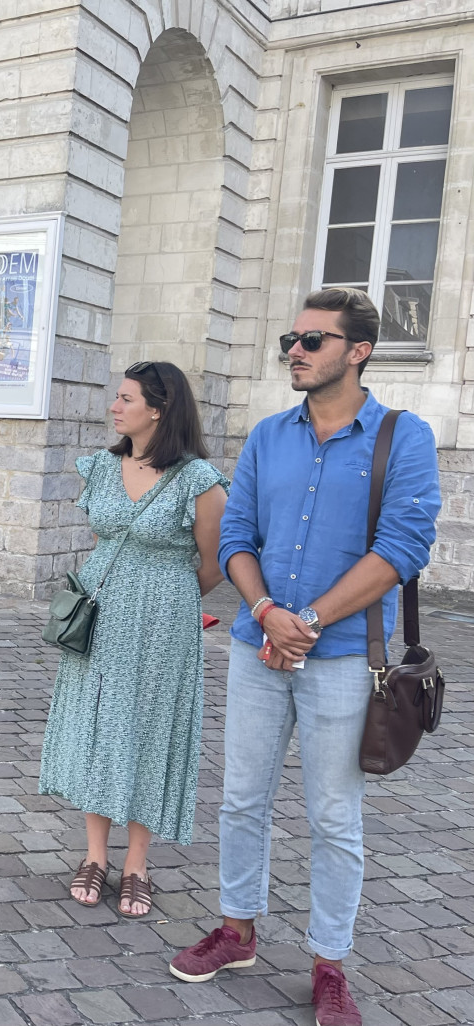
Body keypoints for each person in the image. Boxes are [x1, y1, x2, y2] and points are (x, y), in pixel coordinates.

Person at [169, 288, 440, 1026]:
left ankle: (328, 965)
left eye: (312, 340)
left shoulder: (401, 437)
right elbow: (236, 539)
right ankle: (236, 930)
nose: (294, 349)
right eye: (290, 337)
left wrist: (310, 621)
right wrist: (263, 612)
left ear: (357, 352)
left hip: (345, 660)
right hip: (257, 648)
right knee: (242, 800)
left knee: (332, 816)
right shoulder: (266, 436)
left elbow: (402, 550)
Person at [39, 360, 228, 918]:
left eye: (125, 398)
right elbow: (105, 538)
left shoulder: (198, 480)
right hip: (99, 620)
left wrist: (164, 600)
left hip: (163, 625)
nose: (114, 406)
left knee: (149, 729)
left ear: (158, 408)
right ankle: (94, 856)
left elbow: (215, 564)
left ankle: (137, 864)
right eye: (116, 397)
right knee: (98, 725)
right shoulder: (100, 466)